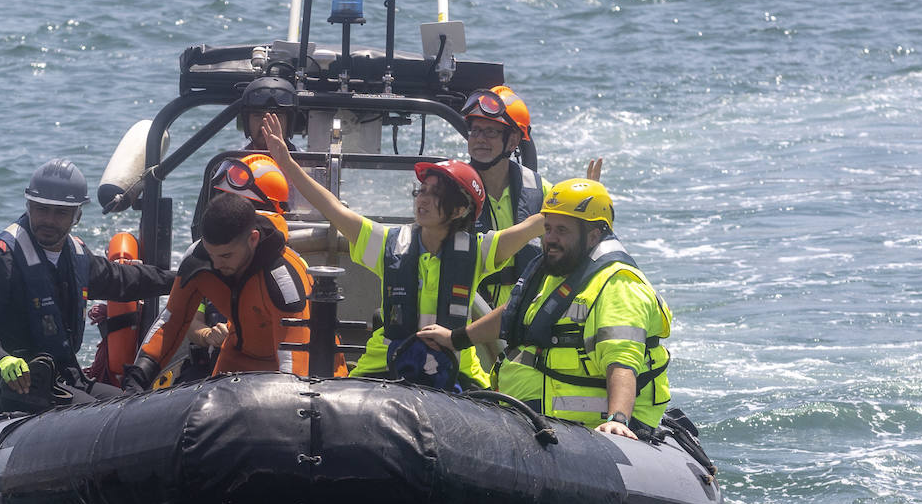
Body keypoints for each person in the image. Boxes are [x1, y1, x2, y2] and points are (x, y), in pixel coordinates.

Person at [260, 113, 544, 387]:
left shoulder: (480, 252)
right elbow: (332, 208)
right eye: (421, 191)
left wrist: (585, 193)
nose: (423, 199)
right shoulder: (387, 244)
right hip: (386, 366)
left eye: (436, 195)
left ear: (459, 210)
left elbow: (535, 224)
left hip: (456, 370)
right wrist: (286, 162)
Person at [417, 178, 672, 439]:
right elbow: (514, 313)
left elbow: (623, 359)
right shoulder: (559, 270)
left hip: (587, 430)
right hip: (537, 419)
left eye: (562, 230)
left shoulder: (618, 284)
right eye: (548, 229)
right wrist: (455, 338)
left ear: (594, 234)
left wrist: (617, 419)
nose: (550, 239)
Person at [0, 158, 176, 413]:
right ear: (28, 206)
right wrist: (1, 358)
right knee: (103, 418)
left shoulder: (76, 255)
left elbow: (123, 280)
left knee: (138, 408)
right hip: (18, 389)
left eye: (60, 212)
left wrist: (179, 279)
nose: (48, 219)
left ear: (77, 215)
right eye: (41, 209)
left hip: (68, 378)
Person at [123, 191, 313, 388]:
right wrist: (138, 375)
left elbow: (295, 357)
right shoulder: (199, 260)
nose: (216, 264)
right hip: (237, 359)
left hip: (296, 371)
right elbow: (172, 321)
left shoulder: (282, 280)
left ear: (253, 239)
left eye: (226, 256)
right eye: (211, 253)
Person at [461, 85, 550, 309]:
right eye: (476, 131)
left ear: (512, 141)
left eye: (491, 132)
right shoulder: (450, 189)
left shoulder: (542, 191)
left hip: (524, 318)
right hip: (468, 315)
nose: (480, 139)